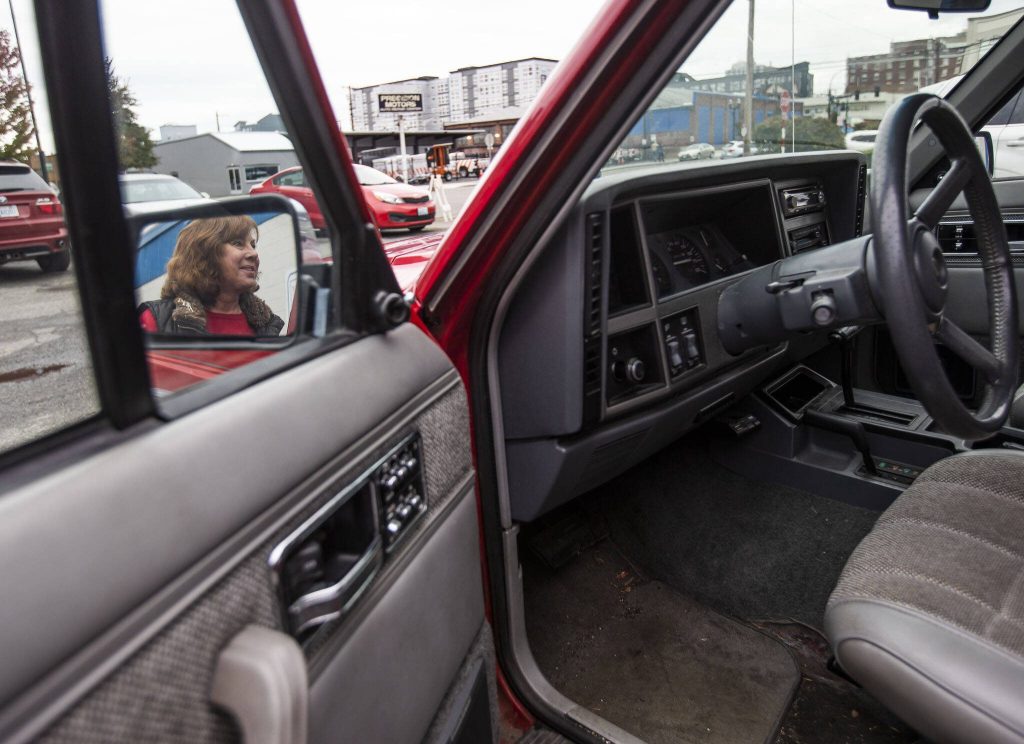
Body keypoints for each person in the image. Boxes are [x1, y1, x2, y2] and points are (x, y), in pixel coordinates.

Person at [138, 215, 284, 336]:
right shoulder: (154, 320)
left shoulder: (266, 322)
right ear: (204, 254)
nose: (253, 253)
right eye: (238, 243)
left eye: (253, 245)